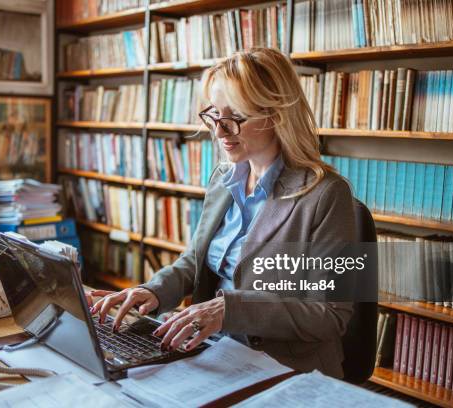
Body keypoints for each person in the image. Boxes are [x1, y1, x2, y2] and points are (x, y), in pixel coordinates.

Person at [90, 48, 357, 378]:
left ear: (276, 115)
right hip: (211, 351)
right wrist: (153, 291)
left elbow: (331, 314)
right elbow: (196, 261)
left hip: (283, 368)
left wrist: (230, 309)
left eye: (234, 117)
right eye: (214, 114)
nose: (218, 131)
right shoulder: (223, 178)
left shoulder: (330, 195)